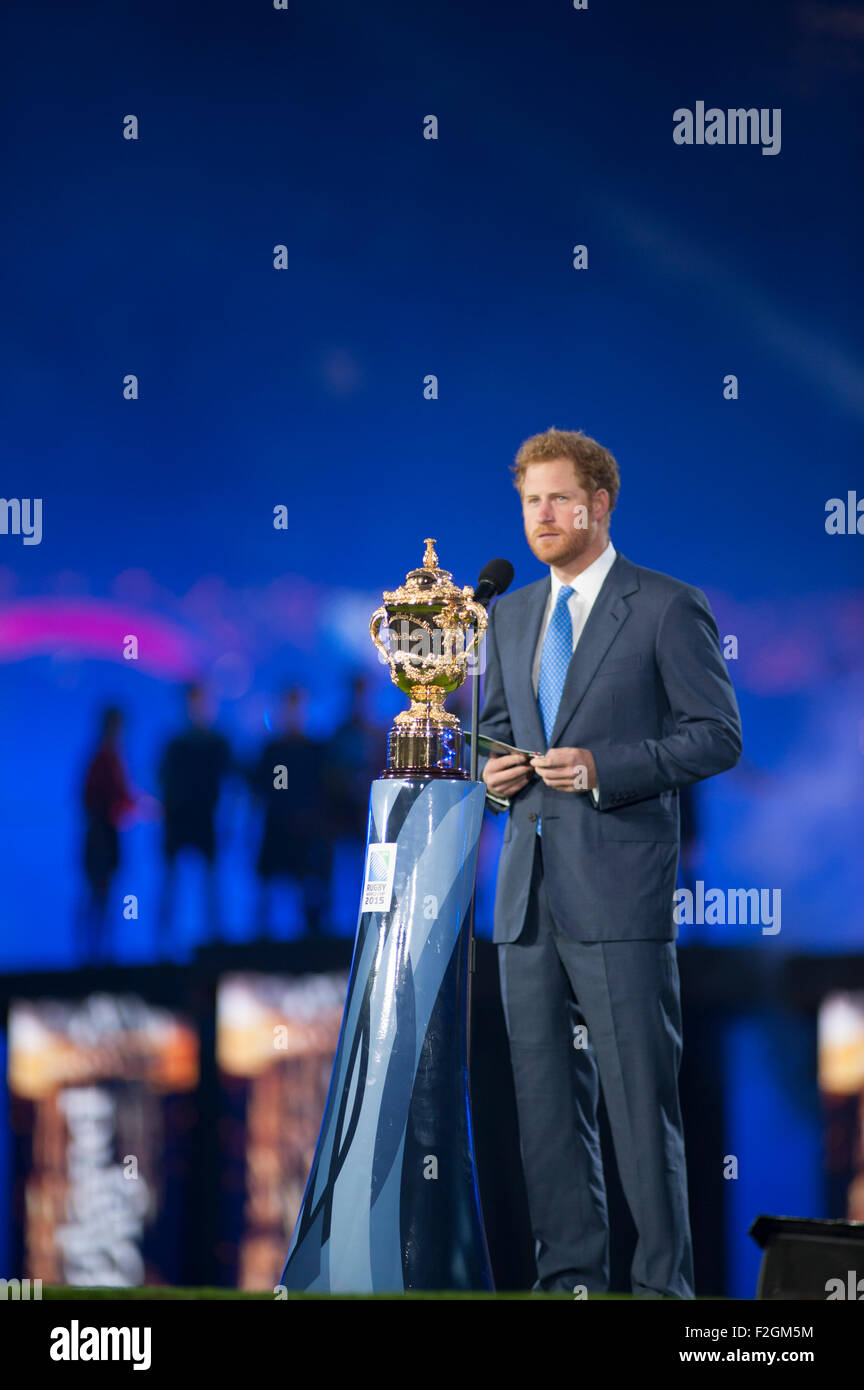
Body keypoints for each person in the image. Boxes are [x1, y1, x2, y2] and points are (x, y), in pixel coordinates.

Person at [478, 427, 742, 1297]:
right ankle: (570, 1287)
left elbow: (716, 737)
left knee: (638, 1112)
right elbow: (498, 733)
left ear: (599, 504)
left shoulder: (666, 605)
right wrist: (492, 772)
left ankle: (663, 1292)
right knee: (547, 1117)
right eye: (529, 502)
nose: (542, 516)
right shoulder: (510, 615)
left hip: (620, 898)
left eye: (558, 499)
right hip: (525, 901)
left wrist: (604, 769)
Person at [157, 682, 232, 951]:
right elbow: (162, 781)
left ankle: (213, 940)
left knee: (209, 883)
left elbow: (233, 781)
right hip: (179, 819)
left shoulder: (216, 743)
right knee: (172, 881)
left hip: (203, 819)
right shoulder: (176, 745)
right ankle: (164, 943)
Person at [251, 686, 331, 938]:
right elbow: (266, 787)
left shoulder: (315, 751)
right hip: (277, 827)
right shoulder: (273, 751)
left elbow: (323, 789)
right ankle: (263, 942)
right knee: (269, 889)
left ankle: (310, 941)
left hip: (306, 831)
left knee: (309, 888)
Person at [78, 705, 136, 963]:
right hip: (101, 837)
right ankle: (92, 956)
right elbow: (93, 800)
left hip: (105, 837)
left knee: (102, 896)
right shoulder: (105, 759)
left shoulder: (109, 758)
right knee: (98, 896)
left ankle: (97, 954)